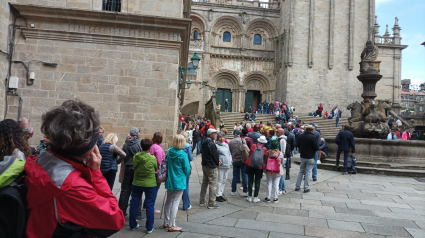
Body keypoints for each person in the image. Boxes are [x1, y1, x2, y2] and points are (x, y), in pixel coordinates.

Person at [24, 99, 125, 237]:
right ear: (88, 147)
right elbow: (115, 219)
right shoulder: (73, 188)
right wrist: (96, 173)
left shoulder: (39, 161)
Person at [163, 135, 191, 232]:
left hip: (170, 179)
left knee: (168, 201)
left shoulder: (170, 151)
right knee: (175, 202)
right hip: (179, 180)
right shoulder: (183, 154)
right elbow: (187, 169)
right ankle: (172, 225)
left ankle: (166, 221)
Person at [130, 139, 158, 233]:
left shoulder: (136, 156)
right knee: (150, 205)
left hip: (137, 182)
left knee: (134, 202)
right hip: (150, 183)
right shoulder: (152, 158)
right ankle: (149, 227)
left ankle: (132, 224)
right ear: (150, 147)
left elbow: (134, 167)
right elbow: (155, 168)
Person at [119, 127, 143, 217]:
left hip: (127, 168)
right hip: (136, 169)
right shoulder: (139, 143)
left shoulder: (125, 144)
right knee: (137, 191)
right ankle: (137, 213)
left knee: (125, 191)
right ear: (137, 134)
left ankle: (121, 212)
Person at [200, 129, 222, 209]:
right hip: (211, 166)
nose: (216, 135)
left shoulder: (205, 142)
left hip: (205, 165)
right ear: (210, 135)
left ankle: (202, 201)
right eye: (214, 133)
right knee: (213, 184)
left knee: (204, 183)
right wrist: (217, 163)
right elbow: (214, 155)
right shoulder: (211, 144)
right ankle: (211, 203)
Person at [295, 125, 319, 193]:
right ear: (311, 130)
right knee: (308, 172)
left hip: (302, 156)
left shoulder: (300, 136)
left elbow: (298, 145)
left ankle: (297, 186)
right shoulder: (313, 137)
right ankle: (306, 188)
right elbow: (316, 148)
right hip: (310, 156)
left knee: (301, 171)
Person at [245, 135, 268, 203]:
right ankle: (255, 197)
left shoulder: (253, 146)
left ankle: (249, 196)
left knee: (250, 181)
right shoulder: (265, 149)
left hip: (250, 165)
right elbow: (264, 158)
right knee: (257, 182)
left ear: (258, 141)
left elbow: (250, 154)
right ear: (264, 142)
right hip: (259, 167)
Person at [150, 132, 166, 213]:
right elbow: (160, 162)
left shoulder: (152, 146)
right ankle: (151, 208)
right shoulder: (158, 149)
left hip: (151, 171)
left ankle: (147, 205)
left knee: (151, 190)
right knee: (154, 190)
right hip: (156, 172)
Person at [229, 130, 248, 197]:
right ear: (239, 134)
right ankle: (245, 191)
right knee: (244, 175)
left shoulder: (231, 142)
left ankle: (233, 191)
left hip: (235, 160)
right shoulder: (242, 140)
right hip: (242, 160)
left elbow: (230, 151)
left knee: (235, 176)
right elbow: (246, 149)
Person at [215, 132, 232, 202]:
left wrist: (231, 161)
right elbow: (215, 155)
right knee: (220, 180)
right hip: (221, 165)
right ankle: (217, 195)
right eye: (220, 137)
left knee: (224, 180)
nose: (221, 139)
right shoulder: (216, 145)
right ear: (218, 138)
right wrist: (218, 160)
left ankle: (221, 193)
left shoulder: (226, 145)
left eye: (223, 137)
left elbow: (229, 153)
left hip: (227, 165)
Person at [180, 131, 194, 211]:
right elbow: (191, 158)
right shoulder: (187, 145)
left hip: (177, 167)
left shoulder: (173, 146)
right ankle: (186, 204)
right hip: (185, 167)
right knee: (185, 186)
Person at [276, 128, 287, 192]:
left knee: (280, 174)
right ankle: (282, 189)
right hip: (281, 158)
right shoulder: (279, 139)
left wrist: (280, 158)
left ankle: (281, 189)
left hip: (281, 158)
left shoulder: (282, 140)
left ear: (281, 132)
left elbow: (283, 150)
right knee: (280, 174)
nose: (276, 133)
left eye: (277, 132)